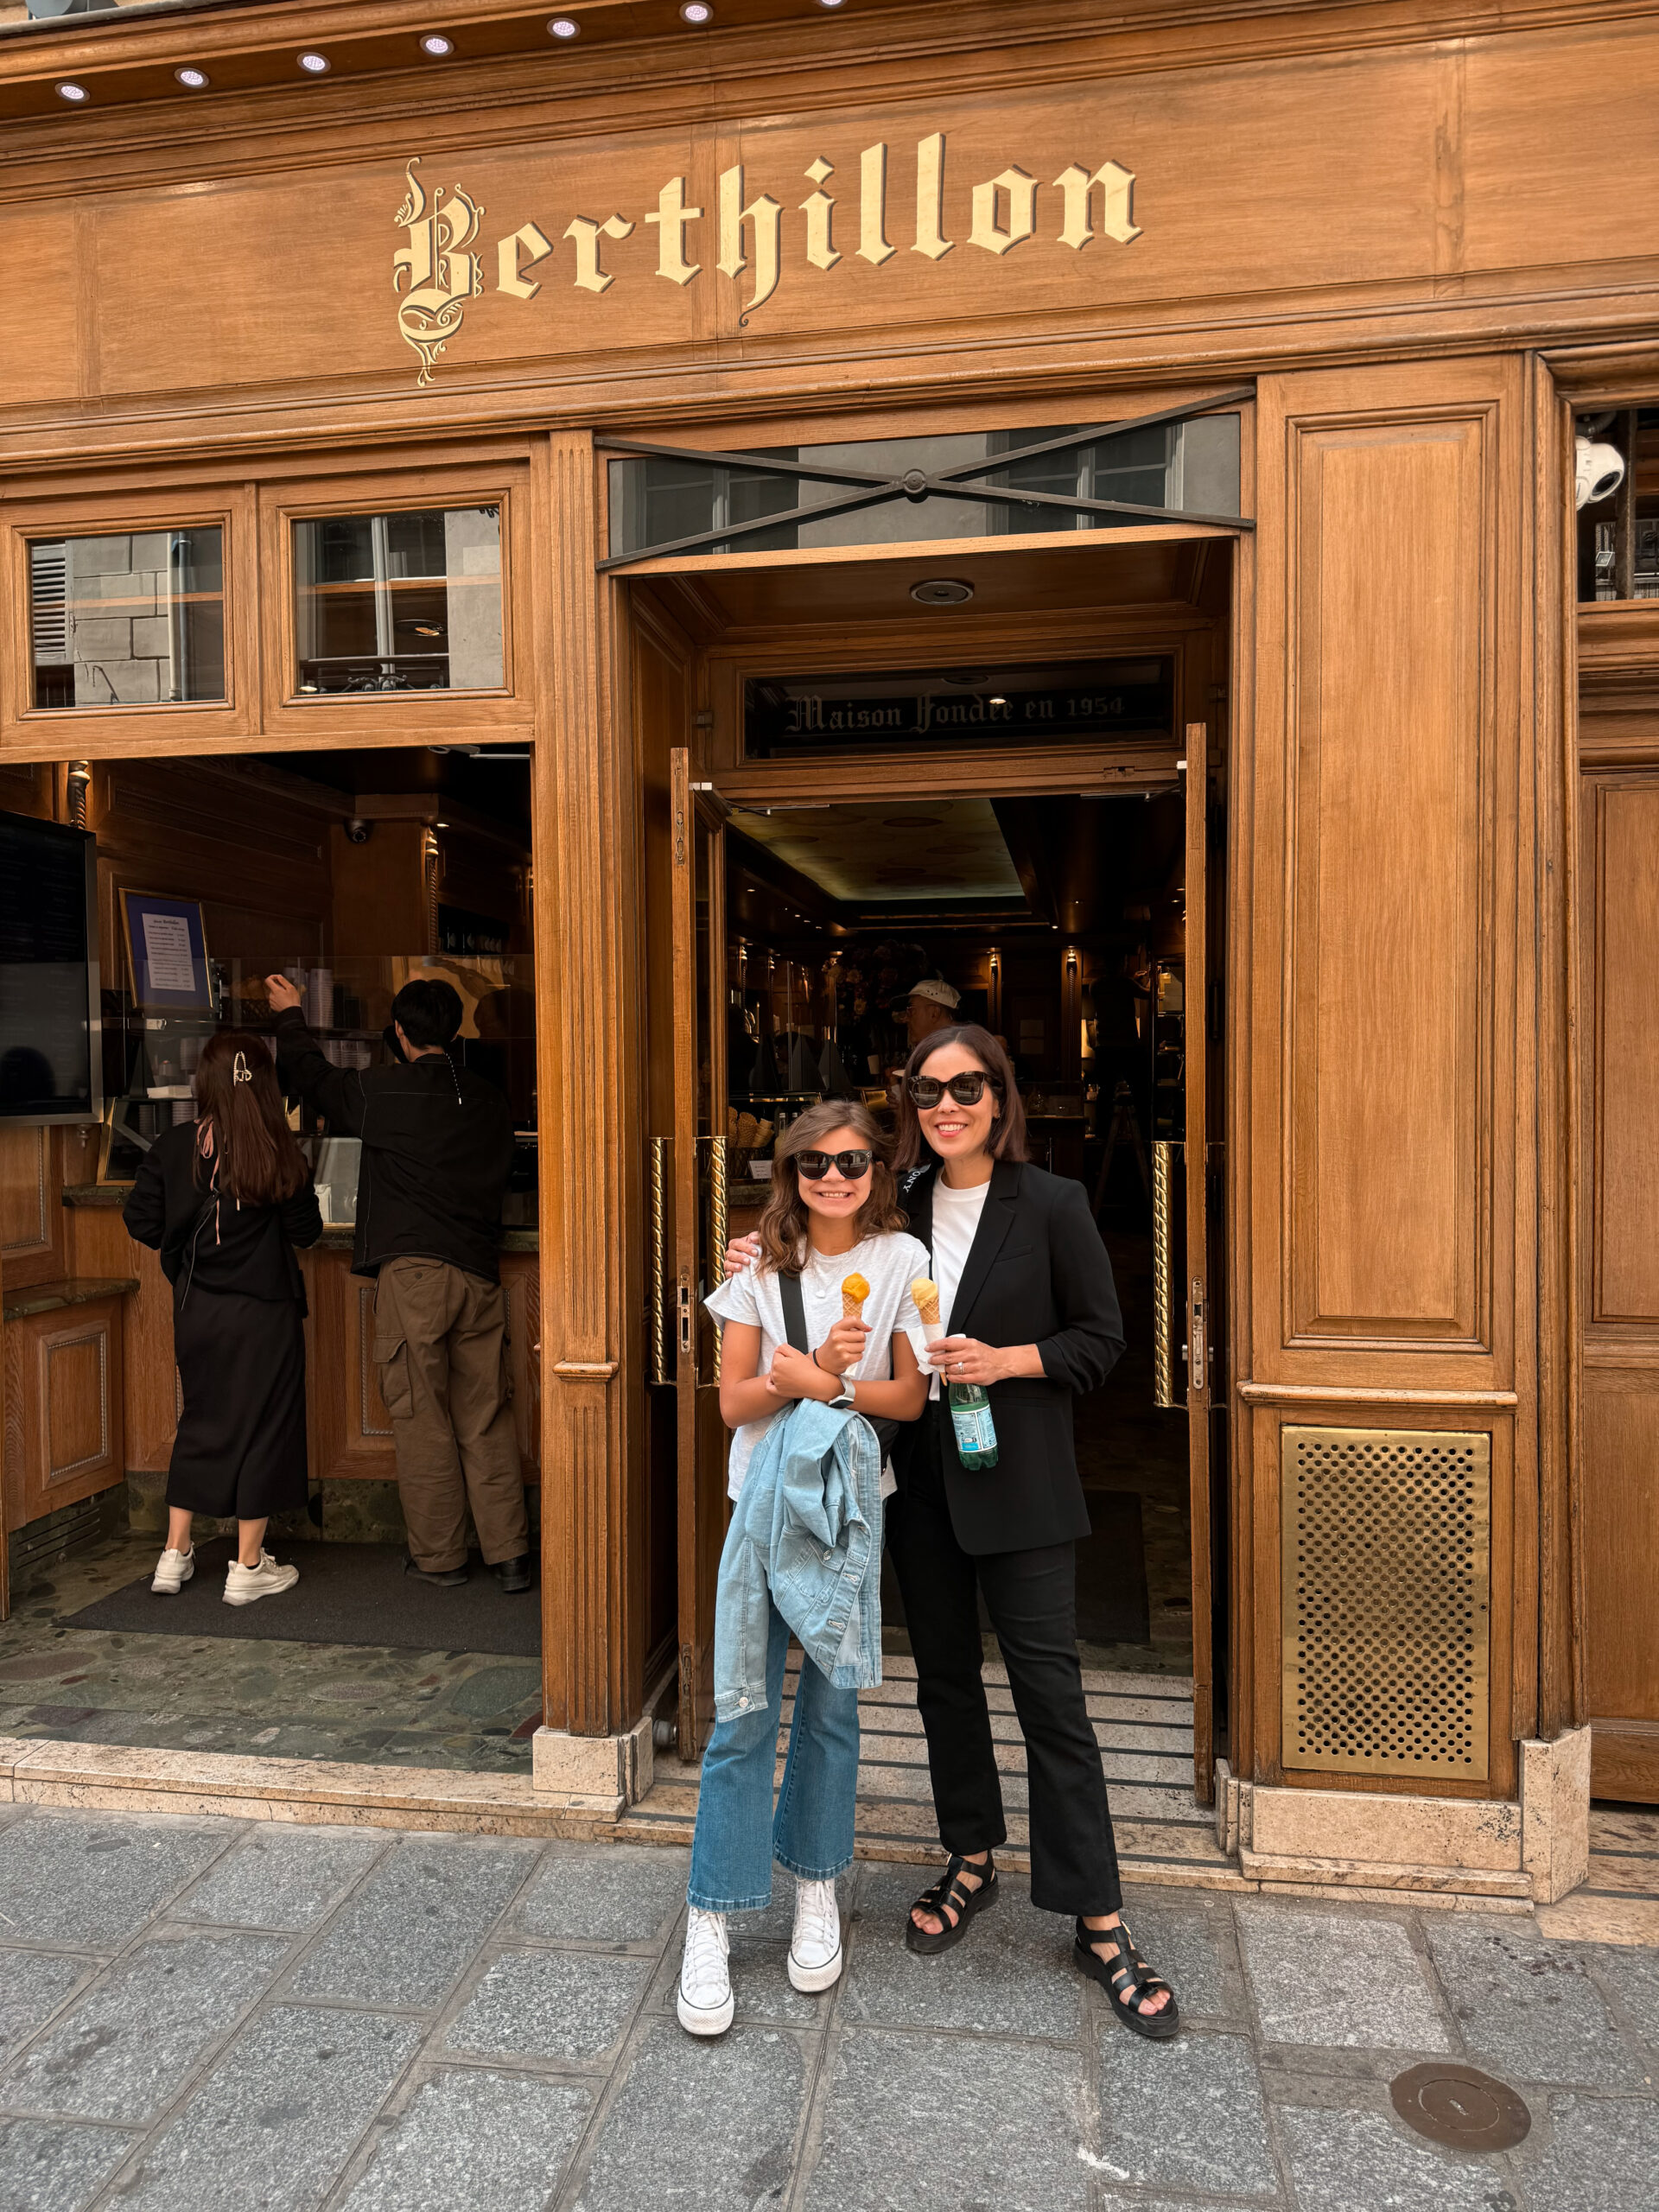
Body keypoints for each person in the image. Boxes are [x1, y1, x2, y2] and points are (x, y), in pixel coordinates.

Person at [727, 1026, 1180, 2040]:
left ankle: (1098, 1916)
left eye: (967, 1084)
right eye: (928, 1089)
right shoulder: (901, 1205)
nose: (948, 1102)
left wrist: (1006, 1359)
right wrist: (751, 1250)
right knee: (943, 1683)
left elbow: (1102, 1342)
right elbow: (821, 1236)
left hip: (1023, 1486)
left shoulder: (1055, 1203)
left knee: (1049, 1693)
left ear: (999, 1093)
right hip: (920, 1485)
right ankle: (970, 1853)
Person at [677, 1102, 930, 2038]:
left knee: (830, 1713)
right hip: (760, 1511)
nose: (835, 1176)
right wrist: (802, 1374)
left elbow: (908, 1393)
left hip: (850, 1516)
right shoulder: (758, 1264)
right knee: (742, 1712)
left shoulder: (902, 1261)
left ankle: (816, 1886)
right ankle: (712, 1910)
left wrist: (828, 1382)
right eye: (816, 1162)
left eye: (853, 1160)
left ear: (876, 1166)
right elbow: (732, 1402)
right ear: (790, 1171)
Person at [267, 972, 531, 1594]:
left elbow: (313, 1077)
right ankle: (511, 1554)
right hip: (479, 1272)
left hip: (415, 1277)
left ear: (399, 1035)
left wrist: (290, 1015)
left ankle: (440, 1557)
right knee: (486, 1415)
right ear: (455, 1031)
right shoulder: (490, 1098)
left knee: (421, 1417)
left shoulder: (384, 1091)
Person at [124, 1033, 321, 1606]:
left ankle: (174, 1554)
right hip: (264, 1313)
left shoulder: (175, 1145)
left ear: (203, 1082)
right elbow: (305, 1232)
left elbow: (140, 1219)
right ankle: (248, 1565)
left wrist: (184, 1245)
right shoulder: (278, 1147)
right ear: (265, 1085)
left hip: (199, 1312)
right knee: (264, 1425)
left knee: (202, 1420)